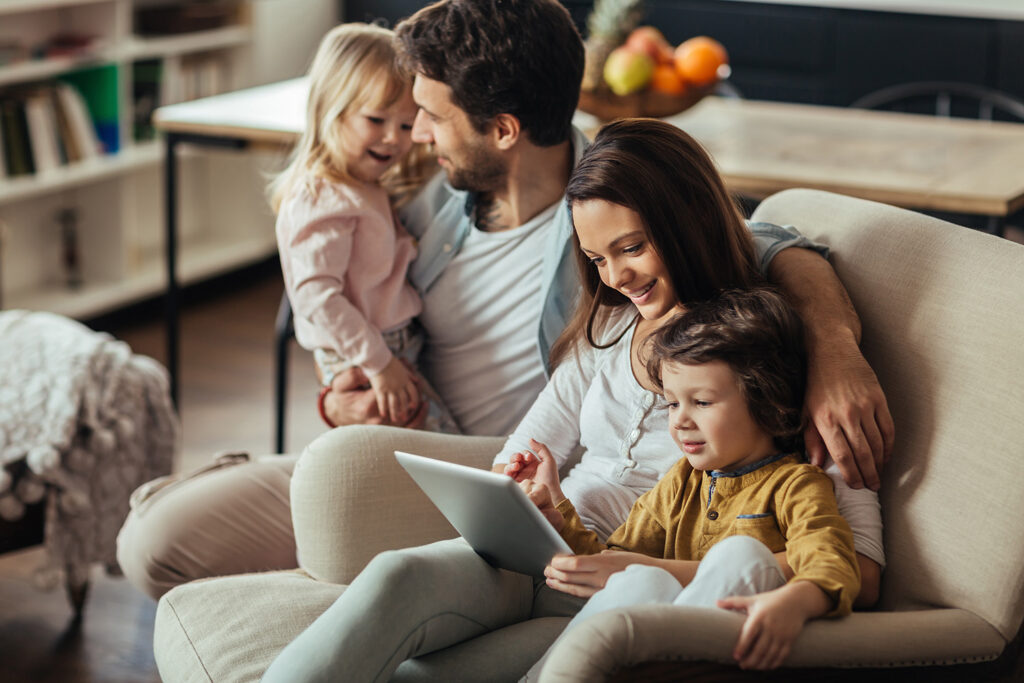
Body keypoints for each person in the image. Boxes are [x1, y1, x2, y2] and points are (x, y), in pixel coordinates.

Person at [116, 0, 891, 602]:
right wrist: (345, 395)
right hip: (421, 442)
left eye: (432, 113)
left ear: (505, 128)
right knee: (154, 538)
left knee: (165, 541)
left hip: (503, 472)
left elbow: (772, 243)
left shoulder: (617, 213)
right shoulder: (436, 200)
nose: (416, 132)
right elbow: (360, 311)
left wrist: (832, 345)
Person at [259, 118, 874, 682]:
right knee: (399, 575)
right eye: (596, 257)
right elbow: (521, 454)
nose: (614, 278)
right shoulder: (606, 330)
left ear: (690, 223)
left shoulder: (770, 356)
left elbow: (860, 569)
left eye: (632, 248)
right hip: (558, 552)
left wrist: (644, 572)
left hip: (630, 591)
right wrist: (537, 499)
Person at [517, 287, 859, 675]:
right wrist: (559, 513)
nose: (679, 420)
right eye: (673, 403)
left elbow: (831, 558)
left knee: (740, 555)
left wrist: (797, 601)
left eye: (702, 402)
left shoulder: (796, 485)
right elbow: (614, 560)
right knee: (643, 581)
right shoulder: (681, 481)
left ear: (766, 399)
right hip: (651, 647)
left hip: (726, 649)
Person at [268, 23, 456, 433]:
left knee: (435, 438)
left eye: (406, 126)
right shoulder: (322, 196)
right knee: (430, 443)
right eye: (376, 119)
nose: (393, 138)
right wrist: (379, 363)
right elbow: (316, 297)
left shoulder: (362, 184)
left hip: (386, 344)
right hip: (370, 351)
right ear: (330, 110)